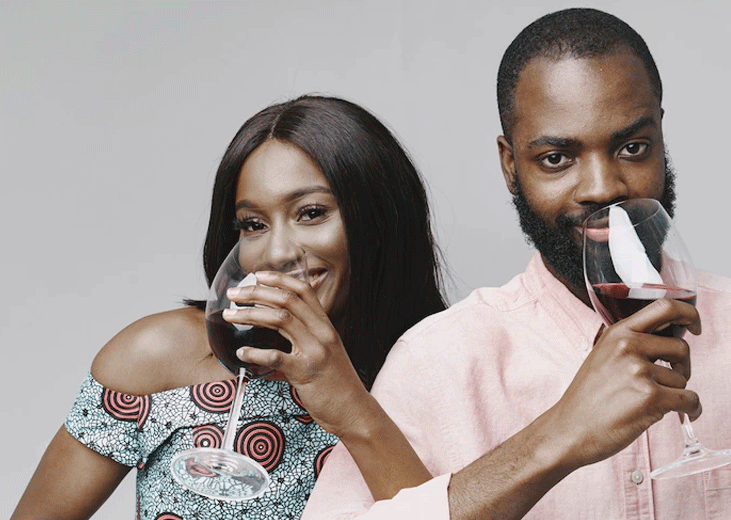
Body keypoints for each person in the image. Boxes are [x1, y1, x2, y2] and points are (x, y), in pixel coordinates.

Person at [302, 8, 731, 519]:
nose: (603, 187)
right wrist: (559, 436)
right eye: (557, 158)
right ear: (511, 166)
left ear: (663, 138)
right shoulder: (436, 367)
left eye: (632, 147)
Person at [11, 95, 446, 520]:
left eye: (311, 213)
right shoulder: (158, 357)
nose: (276, 252)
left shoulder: (442, 371)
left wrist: (352, 407)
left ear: (382, 220)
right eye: (253, 224)